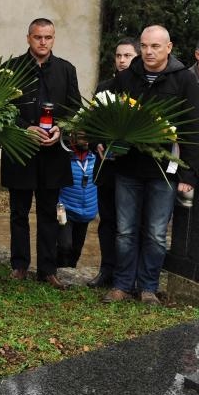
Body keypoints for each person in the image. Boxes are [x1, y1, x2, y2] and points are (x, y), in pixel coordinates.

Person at [103, 25, 199, 305]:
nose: (148, 51)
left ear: (168, 48)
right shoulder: (126, 77)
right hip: (128, 168)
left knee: (157, 233)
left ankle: (148, 287)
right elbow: (109, 113)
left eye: (155, 46)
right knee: (124, 231)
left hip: (163, 171)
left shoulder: (183, 79)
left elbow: (192, 128)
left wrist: (189, 174)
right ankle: (122, 284)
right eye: (144, 45)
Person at [1, 18, 80, 290]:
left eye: (48, 37)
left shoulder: (67, 70)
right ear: (28, 38)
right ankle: (19, 265)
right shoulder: (10, 69)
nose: (43, 42)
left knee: (48, 212)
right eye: (38, 37)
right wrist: (26, 128)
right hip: (20, 151)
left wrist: (60, 128)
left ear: (53, 38)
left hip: (52, 153)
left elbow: (74, 109)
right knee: (18, 212)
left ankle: (48, 269)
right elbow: (2, 109)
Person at [88, 37, 139, 288]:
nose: (121, 60)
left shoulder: (143, 89)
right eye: (118, 56)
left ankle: (127, 275)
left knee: (128, 225)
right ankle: (106, 270)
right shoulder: (104, 88)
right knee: (107, 222)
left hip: (133, 168)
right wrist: (96, 142)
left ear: (137, 58)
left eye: (127, 56)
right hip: (105, 167)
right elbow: (91, 124)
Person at [56, 140, 98, 267]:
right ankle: (59, 270)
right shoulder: (64, 158)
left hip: (85, 212)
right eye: (80, 136)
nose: (85, 140)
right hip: (64, 210)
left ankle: (71, 272)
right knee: (64, 246)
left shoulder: (96, 158)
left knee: (76, 249)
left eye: (87, 137)